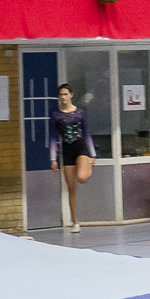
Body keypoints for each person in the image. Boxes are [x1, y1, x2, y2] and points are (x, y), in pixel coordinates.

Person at [49, 81, 96, 233]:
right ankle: (75, 221)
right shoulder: (56, 115)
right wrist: (53, 159)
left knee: (81, 177)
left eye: (65, 94)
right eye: (61, 95)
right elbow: (53, 137)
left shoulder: (80, 113)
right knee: (71, 188)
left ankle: (87, 166)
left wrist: (93, 153)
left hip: (80, 146)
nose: (63, 97)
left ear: (71, 95)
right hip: (67, 149)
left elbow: (87, 133)